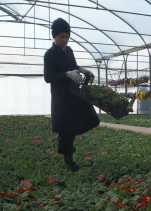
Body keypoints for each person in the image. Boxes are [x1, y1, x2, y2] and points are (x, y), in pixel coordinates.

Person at [44, 18, 100, 172]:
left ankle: (66, 138)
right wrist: (67, 75)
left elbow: (73, 65)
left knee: (89, 118)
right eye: (61, 36)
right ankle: (68, 159)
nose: (64, 40)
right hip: (61, 97)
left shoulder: (68, 51)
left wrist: (83, 70)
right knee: (66, 128)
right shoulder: (50, 54)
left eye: (66, 36)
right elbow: (48, 77)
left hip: (74, 94)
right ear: (54, 36)